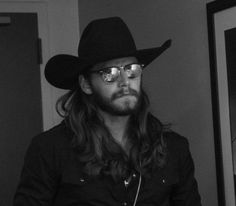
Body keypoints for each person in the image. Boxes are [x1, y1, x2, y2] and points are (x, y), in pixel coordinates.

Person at [14, 17, 202, 206]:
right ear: (86, 84)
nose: (124, 81)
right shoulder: (50, 149)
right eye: (109, 73)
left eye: (131, 69)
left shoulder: (174, 148)